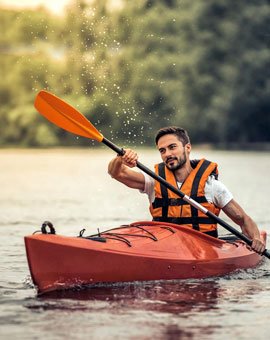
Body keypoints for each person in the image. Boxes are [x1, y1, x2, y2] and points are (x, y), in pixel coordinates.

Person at [108, 126, 265, 254]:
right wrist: (120, 158)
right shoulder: (154, 181)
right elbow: (116, 172)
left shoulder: (212, 187)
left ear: (187, 148)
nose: (167, 154)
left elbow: (243, 220)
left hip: (202, 251)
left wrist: (256, 238)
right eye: (162, 150)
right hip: (163, 249)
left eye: (172, 147)